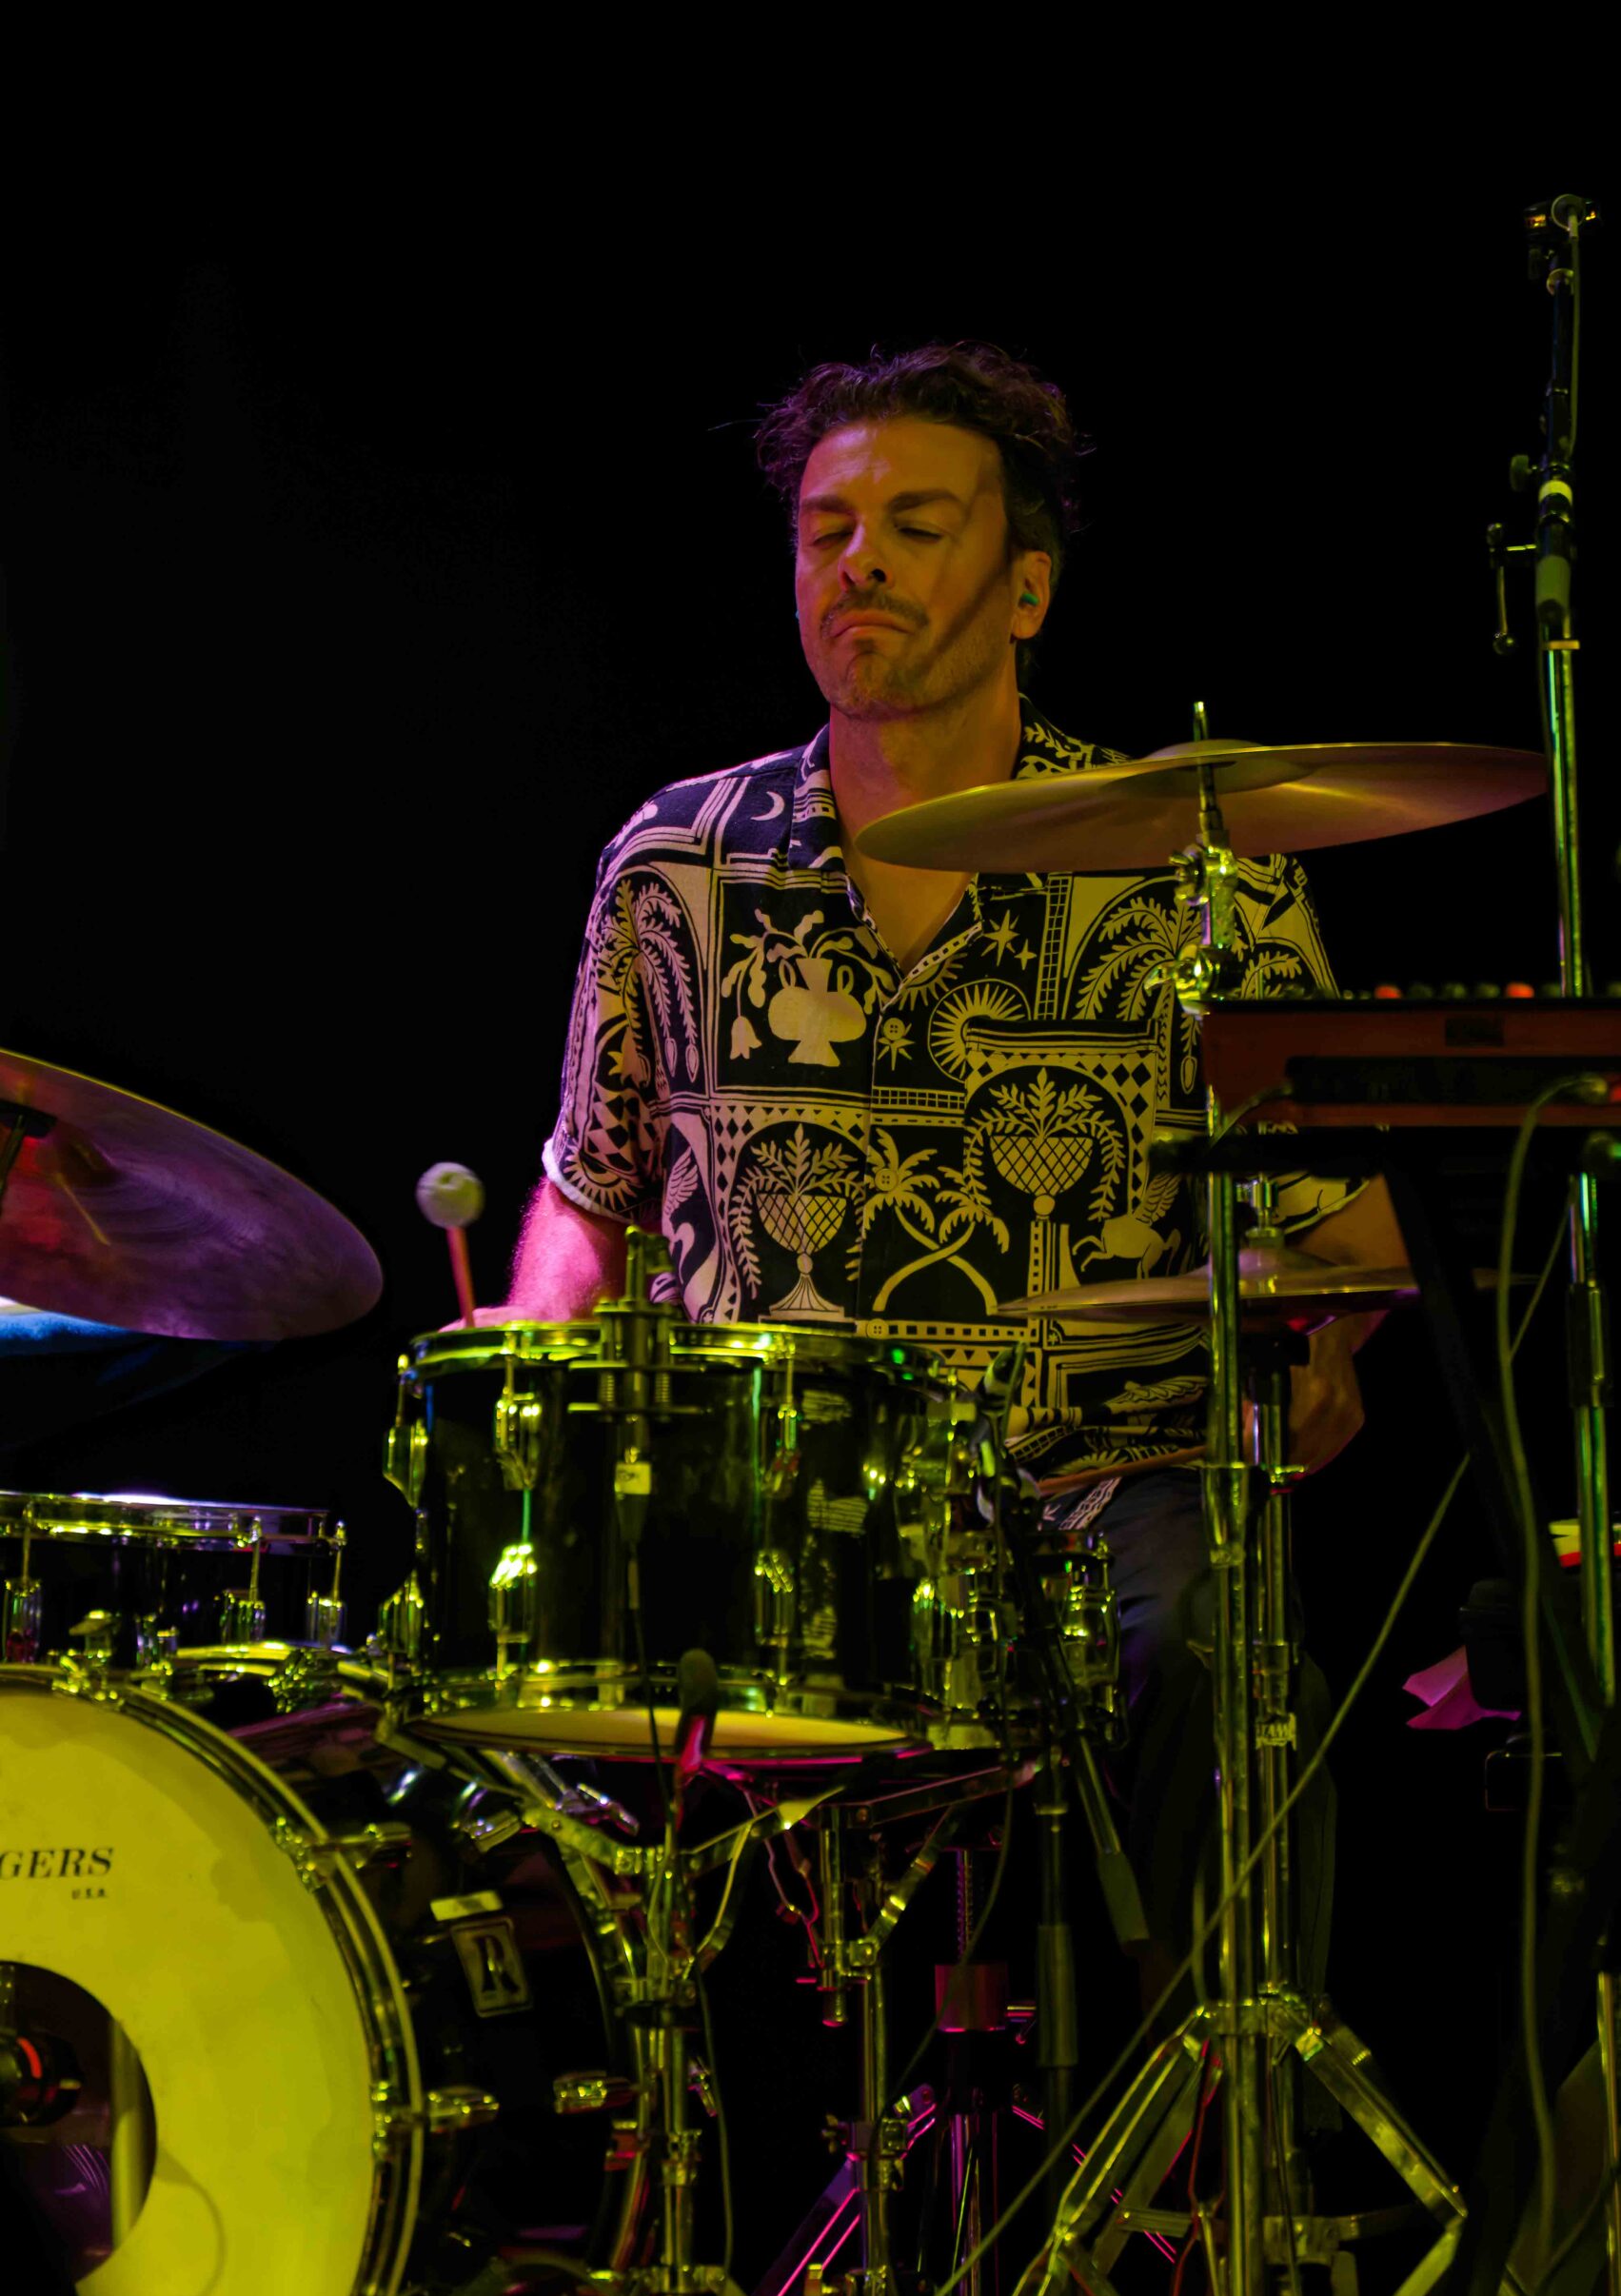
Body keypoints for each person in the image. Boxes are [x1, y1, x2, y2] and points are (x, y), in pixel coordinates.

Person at [490, 340, 1407, 2007]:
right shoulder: (677, 862)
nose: (861, 561)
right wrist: (536, 1375)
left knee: (1217, 1645)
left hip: (1098, 1496)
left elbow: (1347, 1234)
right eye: (827, 529)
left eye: (917, 526)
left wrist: (1318, 1343)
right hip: (768, 1513)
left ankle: (1208, 2121)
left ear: (1026, 587)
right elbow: (589, 1191)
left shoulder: (1197, 876)